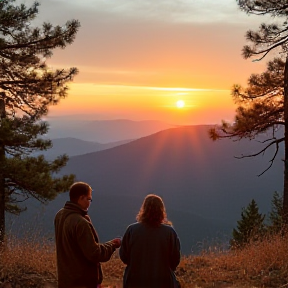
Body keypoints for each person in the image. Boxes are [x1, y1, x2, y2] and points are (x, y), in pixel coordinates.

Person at [54, 181, 121, 288]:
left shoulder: (60, 215)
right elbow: (94, 254)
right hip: (82, 282)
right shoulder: (80, 222)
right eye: (89, 199)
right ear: (81, 198)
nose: (90, 202)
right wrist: (112, 245)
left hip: (65, 281)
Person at [119, 194, 181, 288]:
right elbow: (175, 259)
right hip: (163, 282)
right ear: (161, 210)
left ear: (143, 209)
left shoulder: (132, 230)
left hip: (134, 282)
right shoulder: (169, 233)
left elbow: (124, 256)